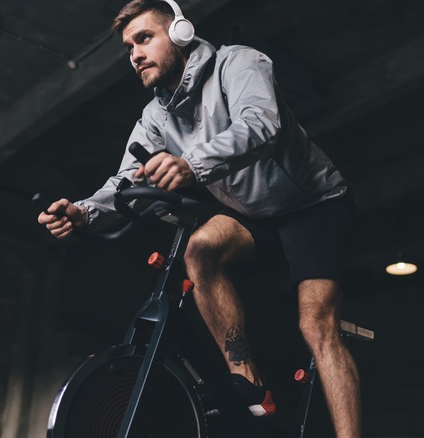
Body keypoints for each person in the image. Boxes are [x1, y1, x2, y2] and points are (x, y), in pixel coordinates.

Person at [38, 0, 361, 435]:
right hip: (251, 211)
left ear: (181, 32)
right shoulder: (155, 116)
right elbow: (124, 181)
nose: (134, 54)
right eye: (128, 47)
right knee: (199, 248)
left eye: (144, 38)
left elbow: (261, 125)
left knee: (316, 326)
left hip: (312, 204)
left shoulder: (239, 62)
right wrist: (83, 211)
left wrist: (190, 164)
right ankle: (249, 384)